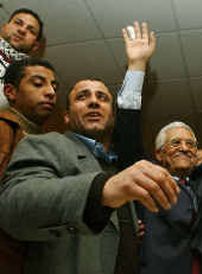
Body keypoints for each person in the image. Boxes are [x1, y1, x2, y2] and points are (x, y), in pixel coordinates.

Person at [0, 21, 179, 274]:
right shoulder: (44, 144)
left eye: (102, 98)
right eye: (82, 97)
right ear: (65, 116)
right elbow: (14, 208)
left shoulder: (117, 164)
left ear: (111, 116)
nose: (94, 102)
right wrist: (102, 190)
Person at [119, 39, 202, 274]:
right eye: (176, 143)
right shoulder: (146, 178)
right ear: (160, 154)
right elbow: (127, 135)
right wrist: (137, 66)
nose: (185, 148)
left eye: (190, 144)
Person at [0, 57, 57, 274]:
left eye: (54, 86)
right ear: (11, 92)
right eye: (38, 83)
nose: (51, 92)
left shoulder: (44, 141)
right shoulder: (4, 129)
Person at [0, 8, 44, 108]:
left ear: (35, 46)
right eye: (18, 23)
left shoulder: (29, 79)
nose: (22, 30)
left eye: (31, 30)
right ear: (4, 27)